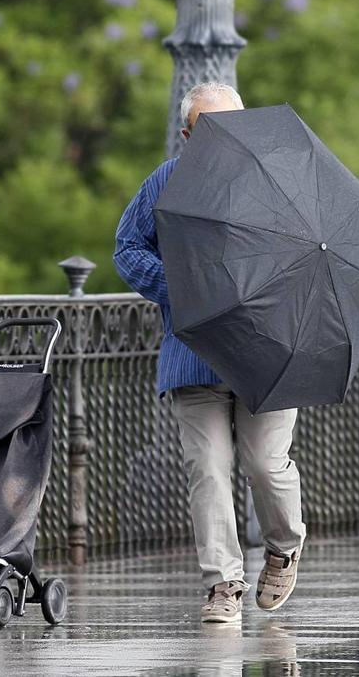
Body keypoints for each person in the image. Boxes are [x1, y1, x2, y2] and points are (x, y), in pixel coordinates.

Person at [113, 82, 306, 624]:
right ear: (187, 135)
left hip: (265, 353)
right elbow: (127, 249)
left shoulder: (277, 182)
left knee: (265, 465)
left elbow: (302, 255)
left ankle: (284, 546)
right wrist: (181, 286)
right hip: (192, 355)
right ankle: (224, 584)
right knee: (209, 469)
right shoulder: (167, 183)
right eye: (210, 128)